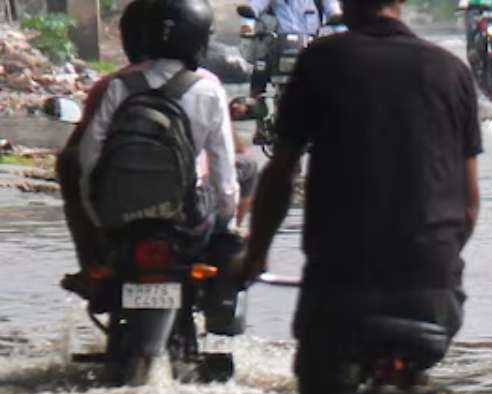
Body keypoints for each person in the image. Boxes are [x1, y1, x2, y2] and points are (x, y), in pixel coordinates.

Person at [235, 0, 481, 394]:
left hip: (342, 284)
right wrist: (439, 262)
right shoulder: (451, 71)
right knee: (407, 383)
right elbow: (470, 200)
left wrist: (256, 255)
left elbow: (279, 173)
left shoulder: (323, 60)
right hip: (432, 288)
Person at [74, 0, 239, 265]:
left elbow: (89, 156)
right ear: (199, 39)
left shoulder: (118, 85)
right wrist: (225, 221)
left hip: (119, 214)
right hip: (185, 216)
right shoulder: (209, 89)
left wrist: (96, 213)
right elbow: (223, 168)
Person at [58, 0, 151, 273]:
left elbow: (81, 151)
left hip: (115, 208)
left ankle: (90, 266)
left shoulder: (110, 86)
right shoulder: (206, 86)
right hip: (191, 213)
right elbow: (227, 160)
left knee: (68, 161)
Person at [246, 0, 342, 97]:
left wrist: (336, 17)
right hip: (278, 44)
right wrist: (252, 11)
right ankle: (252, 102)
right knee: (260, 65)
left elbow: (332, 8)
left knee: (330, 70)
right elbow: (258, 3)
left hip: (310, 44)